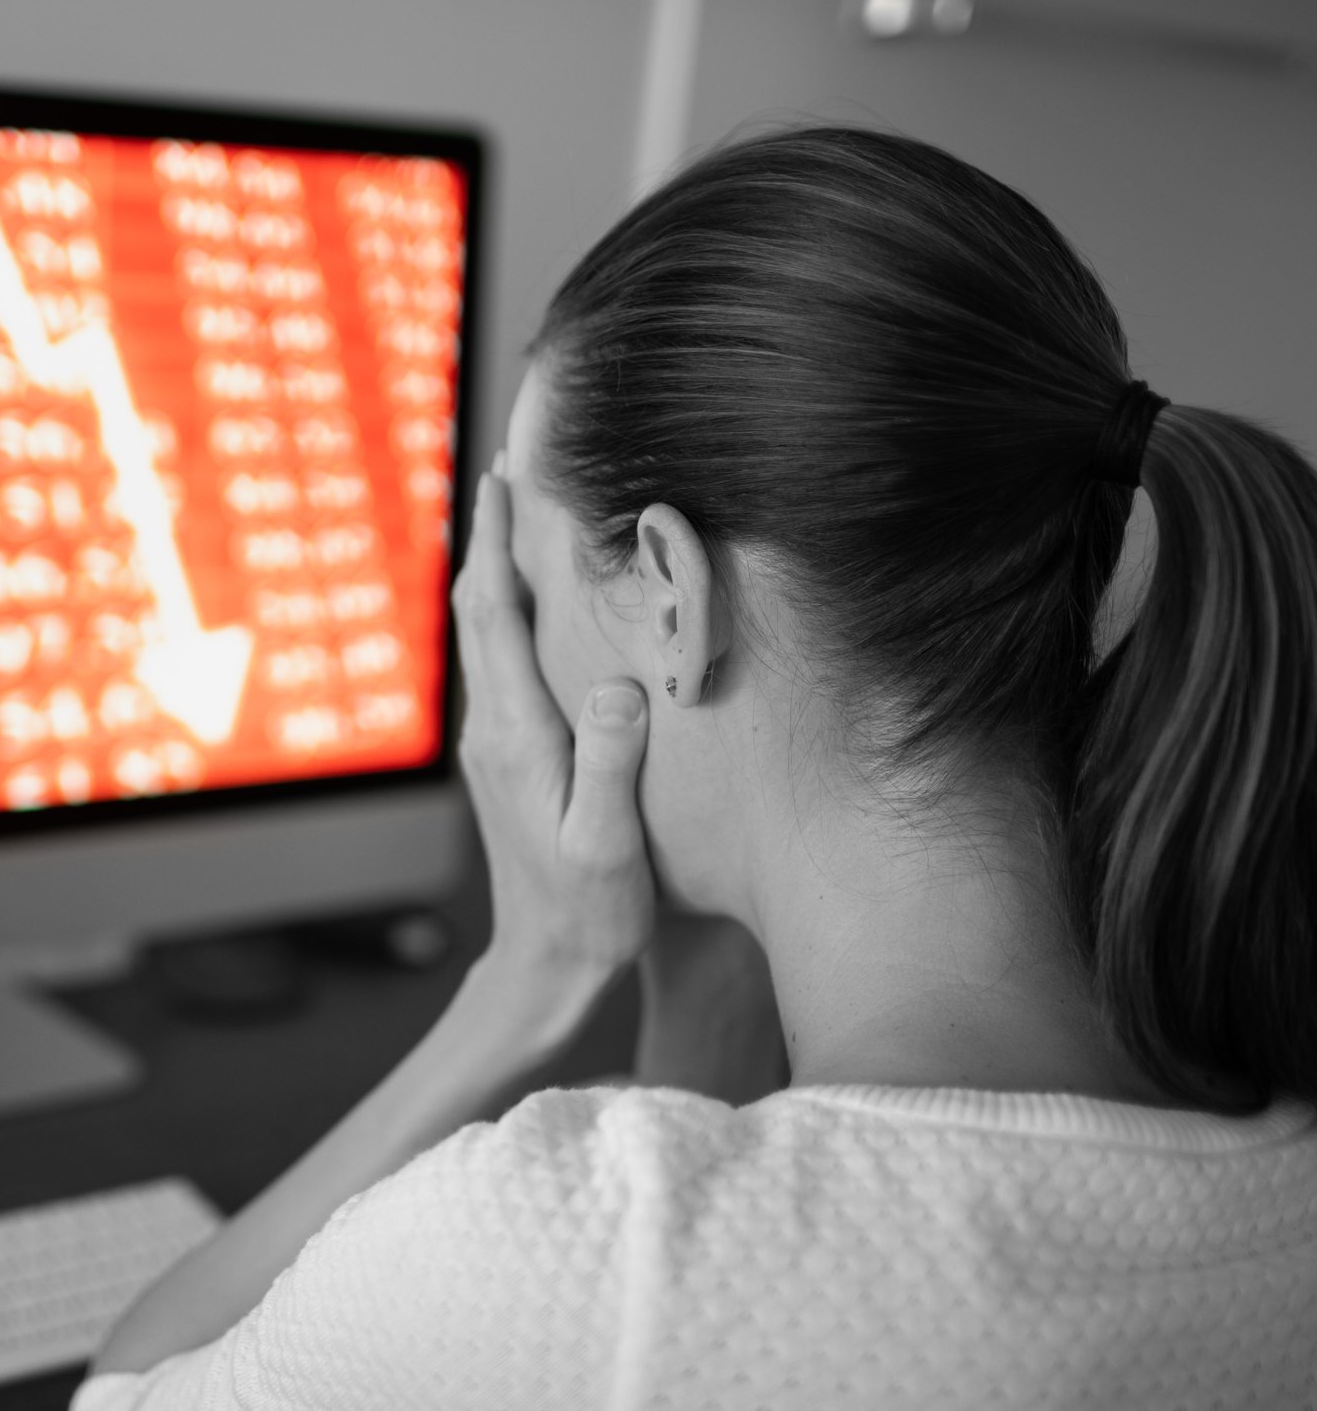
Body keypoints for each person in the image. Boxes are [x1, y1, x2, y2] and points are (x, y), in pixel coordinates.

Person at [75, 126, 1317, 1410]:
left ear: (672, 598)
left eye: (528, 576)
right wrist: (721, 940)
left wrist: (532, 974)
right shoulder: (1271, 1115)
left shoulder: (571, 1260)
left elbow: (128, 1389)